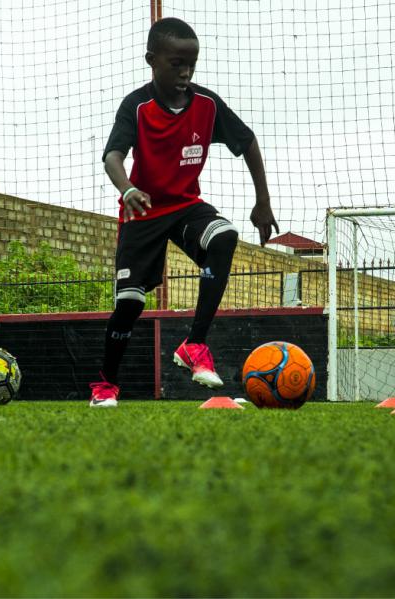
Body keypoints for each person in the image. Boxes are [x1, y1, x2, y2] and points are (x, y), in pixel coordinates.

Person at [89, 17, 278, 407]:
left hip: (186, 206)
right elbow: (112, 156)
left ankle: (194, 344)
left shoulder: (207, 104)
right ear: (152, 60)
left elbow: (248, 141)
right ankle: (106, 385)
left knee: (224, 237)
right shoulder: (136, 106)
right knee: (129, 305)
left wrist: (263, 202)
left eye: (191, 63)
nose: (185, 72)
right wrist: (127, 190)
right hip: (142, 212)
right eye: (176, 63)